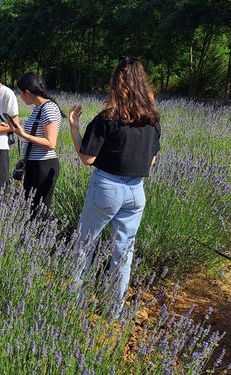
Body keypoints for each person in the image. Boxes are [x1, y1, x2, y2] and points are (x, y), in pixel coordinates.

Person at [68, 56, 161, 316]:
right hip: (136, 191)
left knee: (85, 243)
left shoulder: (107, 118)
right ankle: (114, 310)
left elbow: (87, 159)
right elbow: (151, 161)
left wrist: (74, 127)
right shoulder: (152, 121)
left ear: (116, 83)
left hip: (107, 186)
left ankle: (74, 301)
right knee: (124, 251)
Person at [9, 72, 63, 218]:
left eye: (20, 93)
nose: (20, 97)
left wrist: (23, 135)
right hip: (34, 164)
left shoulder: (49, 108)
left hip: (43, 165)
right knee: (31, 208)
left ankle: (42, 238)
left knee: (40, 210)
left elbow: (50, 143)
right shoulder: (38, 109)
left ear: (28, 92)